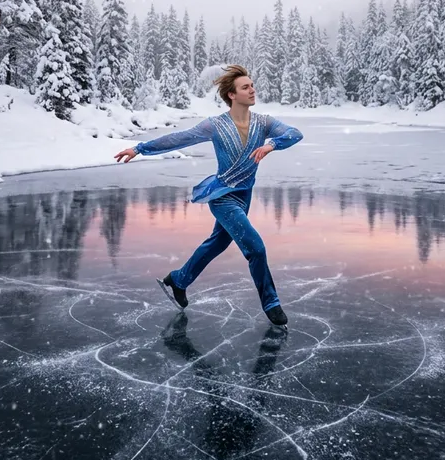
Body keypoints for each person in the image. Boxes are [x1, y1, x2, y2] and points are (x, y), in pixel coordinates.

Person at [114, 65, 303, 327]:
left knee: (217, 243)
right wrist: (140, 148)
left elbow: (294, 134)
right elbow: (179, 138)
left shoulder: (264, 123)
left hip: (243, 196)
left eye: (252, 85)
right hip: (222, 196)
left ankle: (178, 280)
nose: (252, 89)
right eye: (245, 87)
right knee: (255, 248)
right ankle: (271, 303)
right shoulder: (214, 125)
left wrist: (271, 144)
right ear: (231, 95)